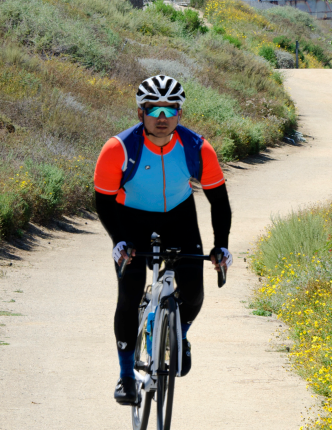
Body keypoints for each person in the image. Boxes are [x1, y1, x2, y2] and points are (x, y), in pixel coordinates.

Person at [93, 75, 233, 405]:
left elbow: (219, 201)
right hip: (131, 219)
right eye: (153, 109)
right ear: (140, 113)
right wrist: (118, 241)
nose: (161, 117)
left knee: (195, 289)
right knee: (128, 294)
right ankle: (126, 375)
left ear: (179, 114)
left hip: (179, 217)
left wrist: (221, 245)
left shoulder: (197, 148)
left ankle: (178, 336)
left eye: (169, 110)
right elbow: (103, 200)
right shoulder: (119, 148)